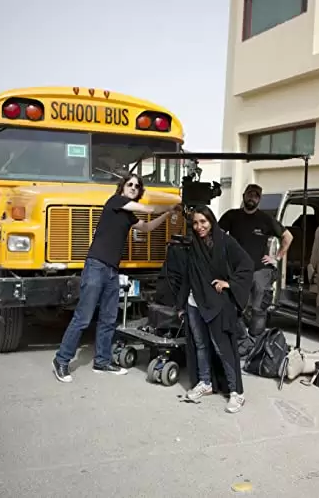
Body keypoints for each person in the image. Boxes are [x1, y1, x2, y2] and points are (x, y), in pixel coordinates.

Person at [52, 173, 180, 383]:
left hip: (112, 270)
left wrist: (166, 215)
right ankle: (61, 360)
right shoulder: (115, 201)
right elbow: (148, 209)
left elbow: (147, 227)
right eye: (130, 184)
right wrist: (172, 206)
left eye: (137, 186)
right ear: (122, 187)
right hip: (96, 266)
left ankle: (102, 361)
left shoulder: (127, 214)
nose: (133, 188)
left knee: (109, 318)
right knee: (83, 318)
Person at [177, 205, 254, 413]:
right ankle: (205, 382)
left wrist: (230, 284)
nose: (199, 226)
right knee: (201, 345)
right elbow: (188, 275)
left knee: (222, 347)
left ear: (211, 221)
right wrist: (181, 304)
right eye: (195, 223)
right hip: (194, 303)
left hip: (217, 303)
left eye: (203, 222)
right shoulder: (193, 245)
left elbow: (246, 263)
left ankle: (237, 393)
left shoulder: (225, 241)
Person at [218, 184, 293, 337]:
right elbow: (216, 237)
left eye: (256, 196)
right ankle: (239, 341)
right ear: (244, 195)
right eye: (250, 194)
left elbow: (288, 237)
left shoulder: (266, 219)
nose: (252, 198)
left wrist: (276, 258)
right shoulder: (231, 216)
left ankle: (256, 344)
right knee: (234, 307)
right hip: (236, 271)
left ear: (259, 199)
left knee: (259, 310)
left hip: (260, 270)